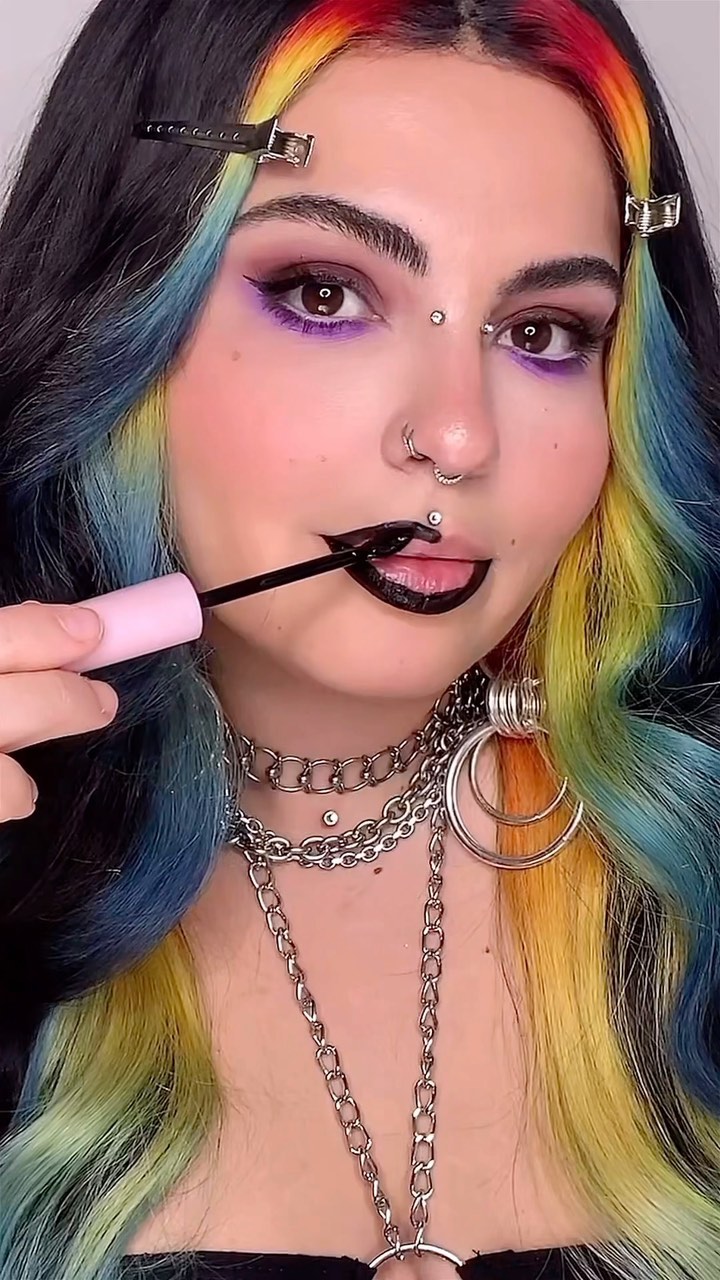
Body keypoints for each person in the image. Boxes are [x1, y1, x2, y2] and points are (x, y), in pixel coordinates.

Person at [0, 0, 718, 1276]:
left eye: (544, 332)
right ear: (120, 319)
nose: (459, 436)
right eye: (325, 293)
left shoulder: (689, 869)